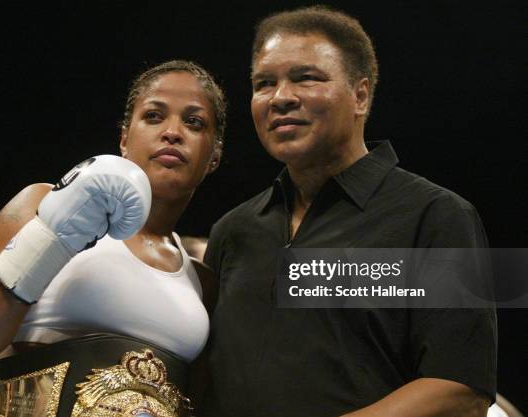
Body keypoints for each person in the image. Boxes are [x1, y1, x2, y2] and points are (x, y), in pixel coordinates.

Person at [203, 6, 496, 417]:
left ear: (360, 95)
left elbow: (460, 391)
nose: (281, 97)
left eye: (306, 78)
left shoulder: (434, 216)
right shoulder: (232, 231)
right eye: (264, 83)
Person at [0, 60, 226, 417]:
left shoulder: (202, 279)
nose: (172, 131)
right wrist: (52, 238)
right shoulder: (40, 205)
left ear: (214, 154)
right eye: (154, 116)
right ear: (124, 138)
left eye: (194, 122)